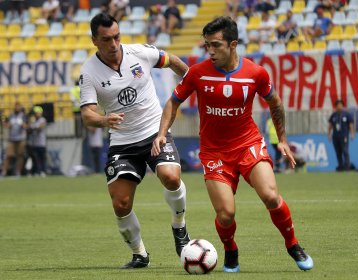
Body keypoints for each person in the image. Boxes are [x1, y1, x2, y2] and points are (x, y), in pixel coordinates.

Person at [152, 16, 313, 273]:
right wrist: (162, 133)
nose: (211, 51)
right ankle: (230, 250)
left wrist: (282, 139)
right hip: (214, 151)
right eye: (207, 45)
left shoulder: (255, 73)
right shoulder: (197, 73)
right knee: (226, 215)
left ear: (233, 44)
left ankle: (293, 245)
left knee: (271, 196)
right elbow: (173, 101)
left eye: (216, 45)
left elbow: (275, 103)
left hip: (247, 143)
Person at [79, 13, 190, 269]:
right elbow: (87, 114)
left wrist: (191, 82)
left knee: (171, 177)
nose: (114, 44)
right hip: (122, 143)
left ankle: (180, 229)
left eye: (117, 37)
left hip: (154, 131)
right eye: (106, 39)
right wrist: (104, 120)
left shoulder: (140, 53)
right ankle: (140, 254)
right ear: (95, 40)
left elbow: (172, 60)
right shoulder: (89, 72)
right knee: (121, 203)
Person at [1, 102, 27, 177]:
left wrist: (22, 124)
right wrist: (7, 124)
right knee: (8, 155)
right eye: (16, 106)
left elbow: (27, 126)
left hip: (21, 138)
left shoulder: (24, 116)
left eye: (19, 106)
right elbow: (6, 125)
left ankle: (18, 171)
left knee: (20, 155)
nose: (17, 108)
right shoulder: (11, 116)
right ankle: (4, 171)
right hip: (12, 138)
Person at [328, 99, 354, 171]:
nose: (339, 106)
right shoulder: (333, 115)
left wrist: (352, 134)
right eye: (338, 105)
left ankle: (347, 167)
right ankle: (340, 166)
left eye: (341, 105)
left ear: (343, 106)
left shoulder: (347, 114)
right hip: (335, 136)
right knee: (338, 152)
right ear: (336, 106)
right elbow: (330, 126)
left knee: (345, 151)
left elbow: (351, 125)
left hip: (344, 136)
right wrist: (329, 134)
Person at [29, 106, 48, 177]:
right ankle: (36, 171)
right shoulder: (33, 120)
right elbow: (29, 129)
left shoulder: (42, 120)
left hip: (41, 143)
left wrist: (33, 127)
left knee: (42, 158)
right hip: (34, 143)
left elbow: (40, 127)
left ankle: (43, 171)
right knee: (35, 159)